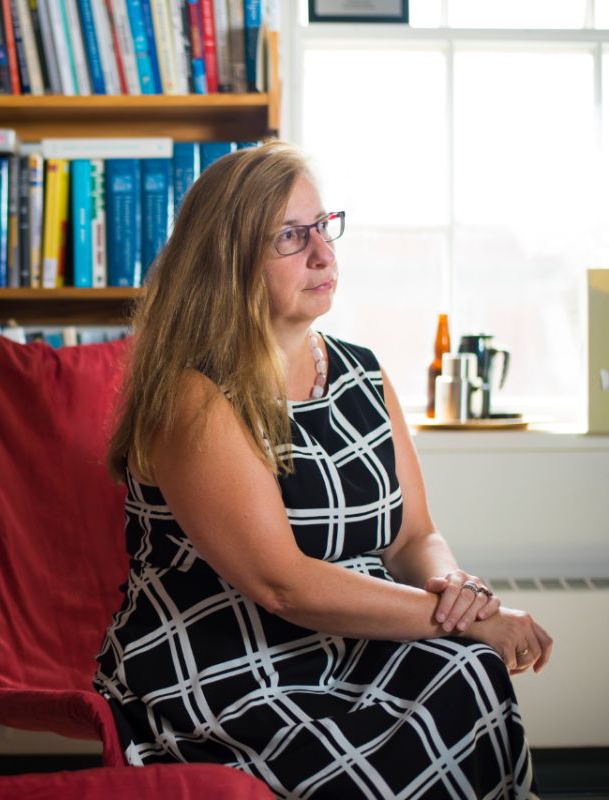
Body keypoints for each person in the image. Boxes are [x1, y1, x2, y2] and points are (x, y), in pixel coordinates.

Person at [94, 141, 552, 799]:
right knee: (421, 709)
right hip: (232, 664)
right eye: (289, 236)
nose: (323, 254)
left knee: (471, 672)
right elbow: (285, 587)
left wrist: (454, 589)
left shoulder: (363, 370)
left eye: (323, 226)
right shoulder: (195, 394)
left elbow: (412, 536)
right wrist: (470, 618)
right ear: (228, 260)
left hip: (354, 643)